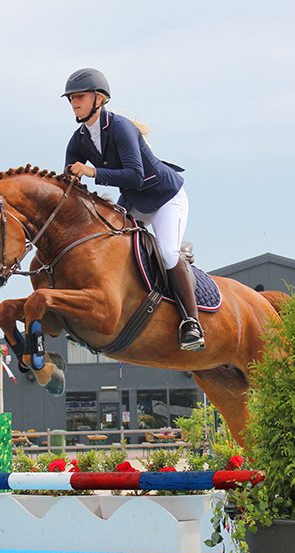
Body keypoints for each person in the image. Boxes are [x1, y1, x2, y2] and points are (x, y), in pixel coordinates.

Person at [62, 68, 205, 351]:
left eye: (79, 97)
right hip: (134, 202)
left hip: (166, 198)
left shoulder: (121, 128)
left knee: (166, 253)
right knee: (105, 248)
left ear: (99, 98)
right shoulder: (78, 139)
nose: (74, 103)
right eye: (71, 99)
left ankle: (192, 321)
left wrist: (91, 172)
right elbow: (69, 184)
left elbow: (135, 176)